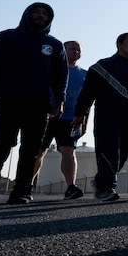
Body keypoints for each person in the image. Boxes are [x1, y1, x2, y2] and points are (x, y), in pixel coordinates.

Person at [0, 3, 68, 205]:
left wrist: (59, 100)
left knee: (31, 148)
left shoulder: (54, 45)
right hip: (9, 99)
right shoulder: (7, 37)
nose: (40, 16)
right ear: (28, 14)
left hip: (40, 103)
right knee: (4, 142)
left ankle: (21, 189)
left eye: (45, 13)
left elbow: (60, 76)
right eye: (36, 12)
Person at [71, 33, 128, 202]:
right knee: (109, 148)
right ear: (119, 44)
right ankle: (106, 187)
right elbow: (88, 92)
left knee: (124, 151)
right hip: (107, 114)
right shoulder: (103, 66)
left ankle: (102, 180)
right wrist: (81, 113)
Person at [33, 39, 87, 200]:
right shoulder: (50, 70)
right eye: (72, 49)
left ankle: (71, 186)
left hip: (70, 119)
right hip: (47, 116)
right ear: (63, 51)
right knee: (39, 151)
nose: (75, 52)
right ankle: (27, 185)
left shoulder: (85, 74)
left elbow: (86, 101)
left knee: (69, 151)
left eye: (78, 50)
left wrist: (84, 120)